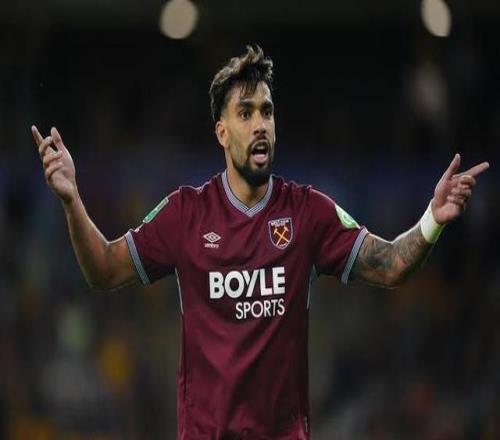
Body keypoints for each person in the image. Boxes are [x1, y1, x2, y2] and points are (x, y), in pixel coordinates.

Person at [32, 45, 489, 439]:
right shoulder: (185, 214)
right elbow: (104, 269)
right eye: (245, 113)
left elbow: (389, 264)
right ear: (222, 131)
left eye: (267, 112)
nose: (260, 125)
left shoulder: (308, 213)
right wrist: (72, 200)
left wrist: (432, 219)